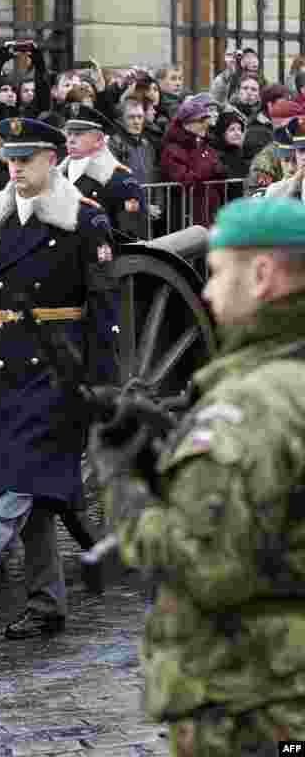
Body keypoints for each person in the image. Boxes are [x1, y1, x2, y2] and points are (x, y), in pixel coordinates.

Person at [91, 196, 305, 755]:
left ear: (261, 275)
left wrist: (122, 483)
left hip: (256, 706)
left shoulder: (246, 407)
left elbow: (204, 564)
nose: (206, 294)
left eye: (215, 274)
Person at [0, 118, 119, 640]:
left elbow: (105, 306)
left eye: (28, 158)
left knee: (23, 465)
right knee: (36, 488)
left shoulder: (84, 222)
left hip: (61, 366)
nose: (16, 168)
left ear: (51, 158)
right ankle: (46, 603)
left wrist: (102, 383)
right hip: (5, 367)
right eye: (11, 159)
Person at [58, 104, 144, 241]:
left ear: (98, 140)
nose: (71, 140)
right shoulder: (58, 175)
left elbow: (129, 234)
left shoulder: (119, 178)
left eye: (79, 134)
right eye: (69, 133)